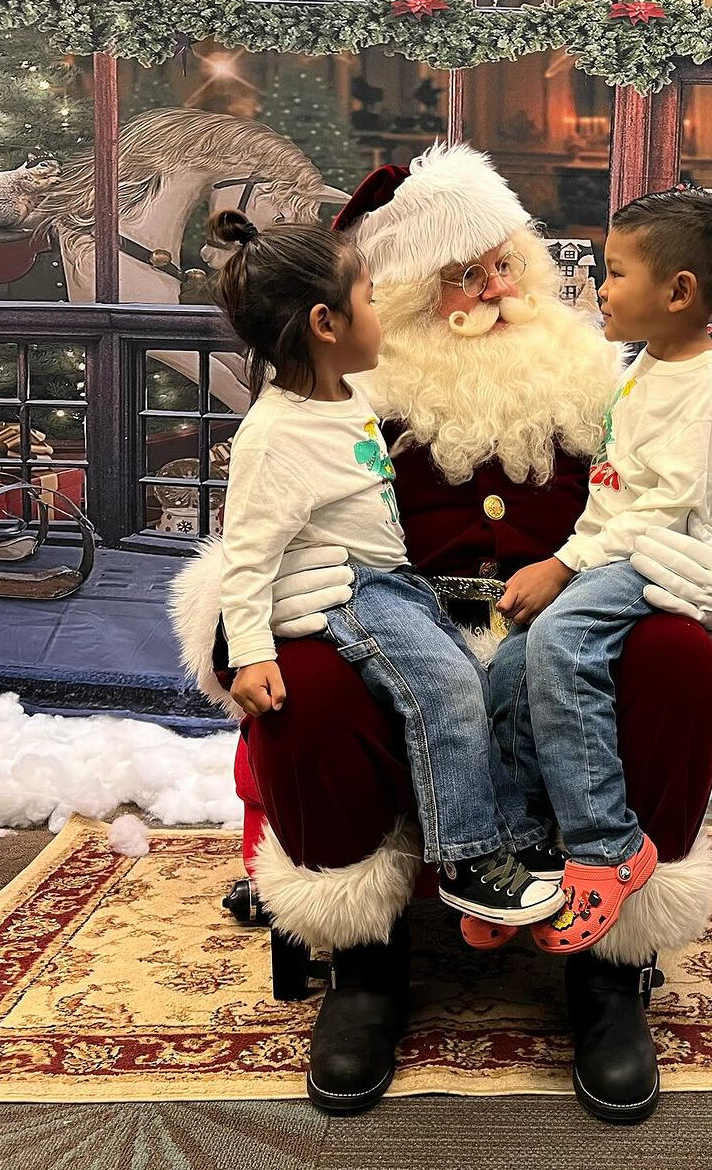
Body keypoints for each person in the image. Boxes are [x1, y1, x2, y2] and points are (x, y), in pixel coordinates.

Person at [170, 143, 712, 1123]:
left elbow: (683, 506)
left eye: (504, 263)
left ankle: (611, 965)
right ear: (399, 298)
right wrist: (240, 627)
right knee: (311, 680)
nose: (495, 290)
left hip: (566, 625)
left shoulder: (607, 380)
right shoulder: (349, 400)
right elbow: (256, 538)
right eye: (462, 277)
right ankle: (365, 966)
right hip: (400, 625)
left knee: (675, 654)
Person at [209, 209, 565, 954]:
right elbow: (244, 555)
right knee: (447, 687)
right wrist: (249, 651)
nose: (381, 315)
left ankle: (516, 837)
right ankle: (468, 860)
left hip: (399, 586)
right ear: (325, 324)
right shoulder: (275, 436)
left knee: (481, 678)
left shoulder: (350, 397)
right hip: (354, 592)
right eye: (370, 301)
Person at [486, 187, 712, 959]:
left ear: (678, 292)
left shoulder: (706, 389)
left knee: (562, 641)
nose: (600, 289)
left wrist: (562, 566)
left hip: (668, 556)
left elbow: (664, 514)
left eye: (614, 273)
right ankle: (523, 845)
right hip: (618, 551)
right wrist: (574, 557)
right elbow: (613, 494)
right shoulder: (646, 366)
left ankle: (607, 847)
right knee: (508, 666)